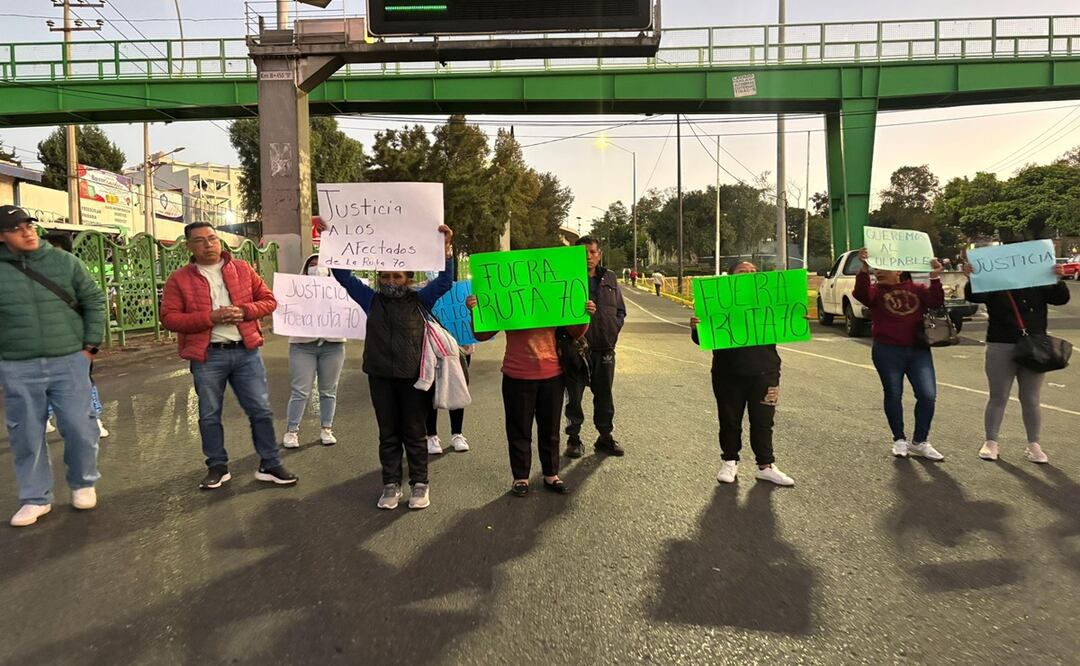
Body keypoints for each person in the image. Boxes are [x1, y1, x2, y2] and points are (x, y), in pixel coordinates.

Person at [161, 221, 297, 490]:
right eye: (199, 240)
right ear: (189, 246)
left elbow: (269, 300)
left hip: (246, 352)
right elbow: (169, 318)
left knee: (260, 410)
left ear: (220, 241)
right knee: (209, 413)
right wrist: (209, 317)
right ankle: (217, 466)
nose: (208, 244)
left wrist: (245, 311)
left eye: (212, 238)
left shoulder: (243, 269)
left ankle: (269, 463)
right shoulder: (179, 279)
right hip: (208, 356)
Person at [330, 224, 455, 511]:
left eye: (396, 275)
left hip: (414, 378)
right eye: (384, 275)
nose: (390, 280)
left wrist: (447, 249)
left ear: (408, 278)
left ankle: (420, 484)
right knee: (388, 433)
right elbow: (343, 277)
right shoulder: (370, 299)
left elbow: (446, 281)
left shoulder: (420, 298)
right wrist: (333, 240)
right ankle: (391, 484)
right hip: (380, 376)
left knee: (414, 431)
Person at [0, 205, 106, 527]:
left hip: (69, 359)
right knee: (26, 434)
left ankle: (83, 482)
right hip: (17, 364)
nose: (27, 231)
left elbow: (94, 300)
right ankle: (35, 498)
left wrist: (90, 347)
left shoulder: (64, 262)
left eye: (29, 224)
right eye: (17, 228)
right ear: (2, 236)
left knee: (80, 426)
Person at [467, 295, 591, 497]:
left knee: (550, 429)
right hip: (517, 374)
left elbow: (575, 332)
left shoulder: (552, 294)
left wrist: (584, 314)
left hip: (552, 373)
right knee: (518, 429)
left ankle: (551, 473)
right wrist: (475, 311)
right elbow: (482, 334)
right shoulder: (507, 295)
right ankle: (520, 477)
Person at [689, 262, 794, 486]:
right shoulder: (718, 303)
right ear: (731, 277)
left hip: (766, 372)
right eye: (742, 272)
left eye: (753, 272)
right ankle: (729, 461)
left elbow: (788, 323)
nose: (748, 275)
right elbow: (702, 340)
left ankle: (765, 465)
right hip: (728, 373)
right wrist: (697, 327)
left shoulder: (769, 302)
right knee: (729, 420)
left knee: (764, 421)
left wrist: (797, 318)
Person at [963, 261, 1070, 463]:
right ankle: (991, 441)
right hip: (1000, 342)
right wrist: (973, 278)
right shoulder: (995, 279)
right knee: (998, 395)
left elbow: (1060, 298)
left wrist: (1057, 278)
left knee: (1031, 397)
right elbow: (974, 296)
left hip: (1034, 344)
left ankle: (1034, 444)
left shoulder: (1038, 278)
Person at [854, 248, 946, 460]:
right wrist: (864, 268)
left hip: (918, 350)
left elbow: (936, 302)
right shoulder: (876, 292)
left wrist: (935, 277)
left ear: (899, 270)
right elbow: (861, 294)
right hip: (887, 350)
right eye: (878, 269)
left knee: (927, 395)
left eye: (885, 268)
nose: (880, 272)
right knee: (893, 394)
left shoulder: (917, 289)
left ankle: (920, 441)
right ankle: (899, 439)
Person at [41, 231, 109, 439]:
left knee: (83, 381)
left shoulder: (76, 272)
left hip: (74, 341)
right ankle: (44, 418)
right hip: (42, 341)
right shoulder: (30, 273)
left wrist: (91, 344)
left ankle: (94, 420)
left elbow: (94, 305)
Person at [564, 236, 627, 458]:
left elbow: (620, 311)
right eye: (583, 253)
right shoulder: (567, 278)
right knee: (574, 398)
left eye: (592, 252)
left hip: (604, 349)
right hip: (576, 350)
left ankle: (605, 437)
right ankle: (574, 438)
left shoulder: (609, 277)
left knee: (604, 396)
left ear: (598, 254)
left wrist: (612, 330)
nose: (588, 257)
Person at [282, 254, 345, 449]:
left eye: (322, 264)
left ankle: (327, 428)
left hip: (333, 346)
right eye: (312, 264)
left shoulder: (340, 290)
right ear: (305, 267)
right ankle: (292, 431)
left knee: (329, 390)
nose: (317, 267)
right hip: (302, 346)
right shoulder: (295, 291)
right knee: (300, 390)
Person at [426, 344, 473, 454]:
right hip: (430, 339)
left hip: (459, 341)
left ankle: (457, 433)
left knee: (457, 384)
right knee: (430, 385)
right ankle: (431, 435)